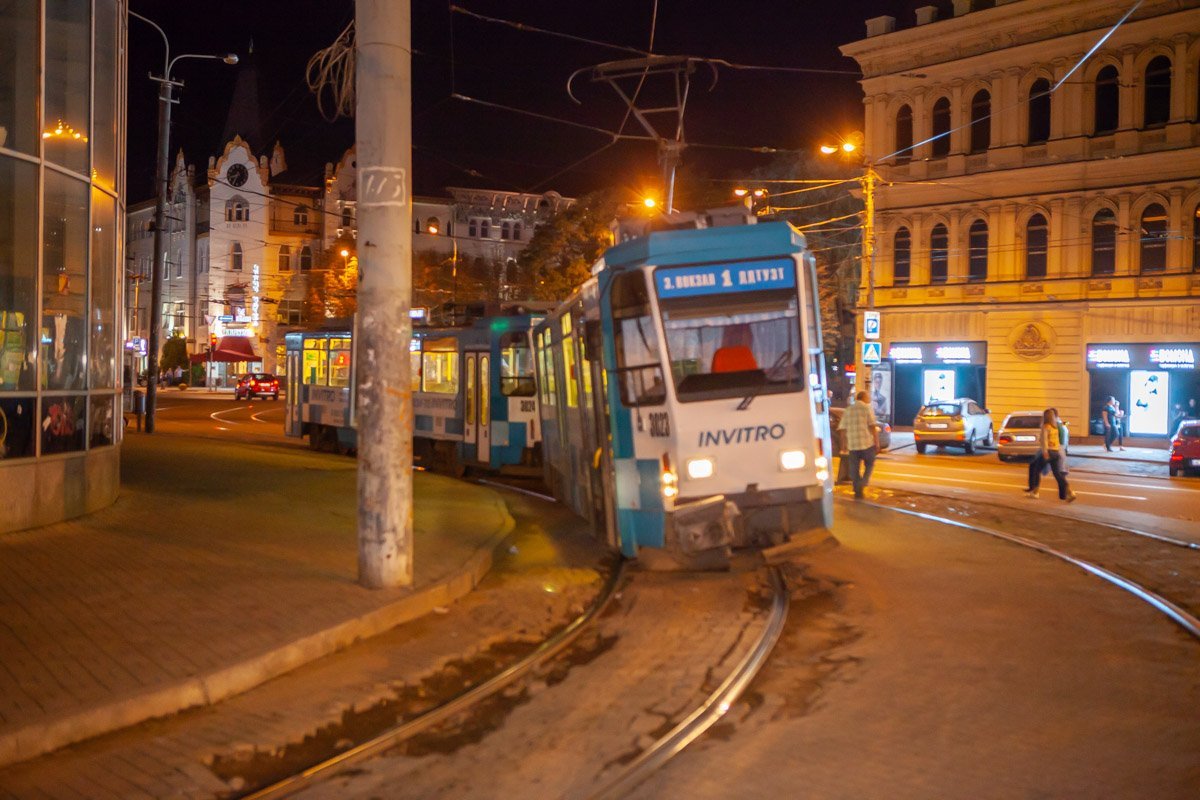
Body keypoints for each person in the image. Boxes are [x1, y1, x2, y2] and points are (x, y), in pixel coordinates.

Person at [1026, 408, 1076, 502]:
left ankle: (1035, 492)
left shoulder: (1046, 427)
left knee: (1037, 471)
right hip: (1056, 452)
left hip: (1048, 452)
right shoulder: (1055, 427)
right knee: (1057, 474)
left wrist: (1045, 452)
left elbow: (1044, 441)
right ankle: (1070, 492)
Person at [838, 390, 879, 499]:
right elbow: (872, 426)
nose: (869, 398)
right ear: (864, 398)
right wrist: (877, 442)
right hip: (867, 444)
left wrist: (843, 445)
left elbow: (842, 429)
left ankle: (857, 491)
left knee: (854, 470)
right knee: (870, 463)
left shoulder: (848, 410)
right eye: (868, 396)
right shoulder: (866, 408)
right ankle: (863, 482)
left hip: (853, 445)